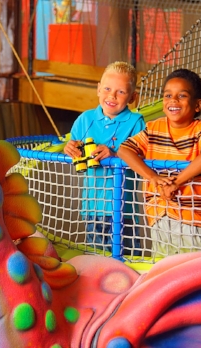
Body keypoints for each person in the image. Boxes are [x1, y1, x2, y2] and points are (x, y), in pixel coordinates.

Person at [118, 68, 201, 257]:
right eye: (168, 95)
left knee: (195, 273)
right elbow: (124, 150)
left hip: (191, 221)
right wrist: (153, 177)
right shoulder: (153, 128)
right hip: (158, 216)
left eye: (181, 95)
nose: (173, 100)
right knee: (163, 271)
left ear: (198, 105)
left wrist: (176, 182)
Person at [64, 61, 146, 256]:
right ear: (98, 89)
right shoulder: (85, 119)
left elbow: (142, 158)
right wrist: (69, 148)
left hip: (123, 211)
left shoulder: (136, 122)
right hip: (92, 209)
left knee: (128, 262)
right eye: (108, 88)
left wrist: (115, 155)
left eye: (120, 92)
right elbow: (72, 146)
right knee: (98, 263)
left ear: (132, 97)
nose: (112, 95)